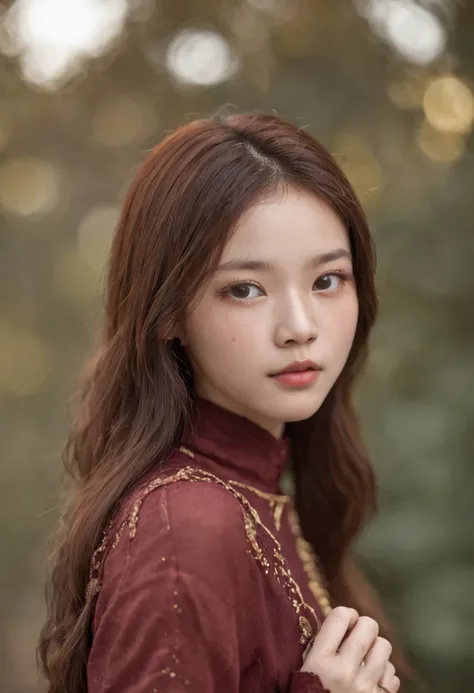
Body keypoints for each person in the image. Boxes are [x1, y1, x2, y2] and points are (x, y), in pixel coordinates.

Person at [38, 113, 413, 693]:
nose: (299, 326)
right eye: (245, 288)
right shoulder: (183, 527)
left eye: (327, 280)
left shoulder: (265, 489)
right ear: (168, 313)